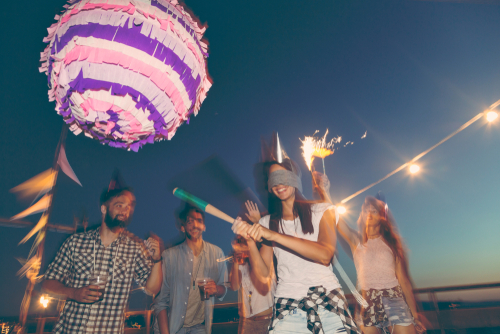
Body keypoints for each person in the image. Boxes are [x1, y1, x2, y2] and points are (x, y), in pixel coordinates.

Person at [232, 160, 360, 334]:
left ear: (295, 179)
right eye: (273, 179)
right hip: (288, 305)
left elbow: (324, 254)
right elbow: (262, 274)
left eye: (283, 176)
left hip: (328, 301)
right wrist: (250, 241)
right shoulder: (267, 222)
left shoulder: (323, 210)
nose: (279, 183)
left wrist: (273, 235)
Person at [42, 175, 163, 334]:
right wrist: (73, 292)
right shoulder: (75, 242)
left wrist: (157, 259)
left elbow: (152, 289)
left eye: (128, 206)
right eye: (119, 205)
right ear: (104, 209)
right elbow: (47, 284)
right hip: (70, 329)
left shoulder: (135, 247)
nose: (125, 210)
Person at [314, 172, 426, 334]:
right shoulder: (356, 240)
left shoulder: (392, 244)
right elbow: (334, 217)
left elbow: (404, 281)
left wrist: (414, 315)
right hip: (367, 301)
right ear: (363, 215)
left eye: (374, 210)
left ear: (382, 217)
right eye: (367, 210)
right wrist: (325, 191)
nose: (370, 212)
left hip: (394, 298)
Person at [153, 203, 228, 334]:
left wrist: (216, 289)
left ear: (204, 226)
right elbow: (160, 303)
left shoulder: (217, 253)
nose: (195, 225)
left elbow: (224, 288)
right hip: (172, 327)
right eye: (189, 221)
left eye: (199, 221)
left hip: (199, 327)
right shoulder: (169, 256)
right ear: (182, 227)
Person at [229, 201, 276, 334]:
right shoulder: (241, 261)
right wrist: (235, 261)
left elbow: (262, 279)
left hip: (266, 320)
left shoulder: (263, 253)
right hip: (246, 321)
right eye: (239, 238)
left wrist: (258, 222)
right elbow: (234, 286)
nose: (241, 239)